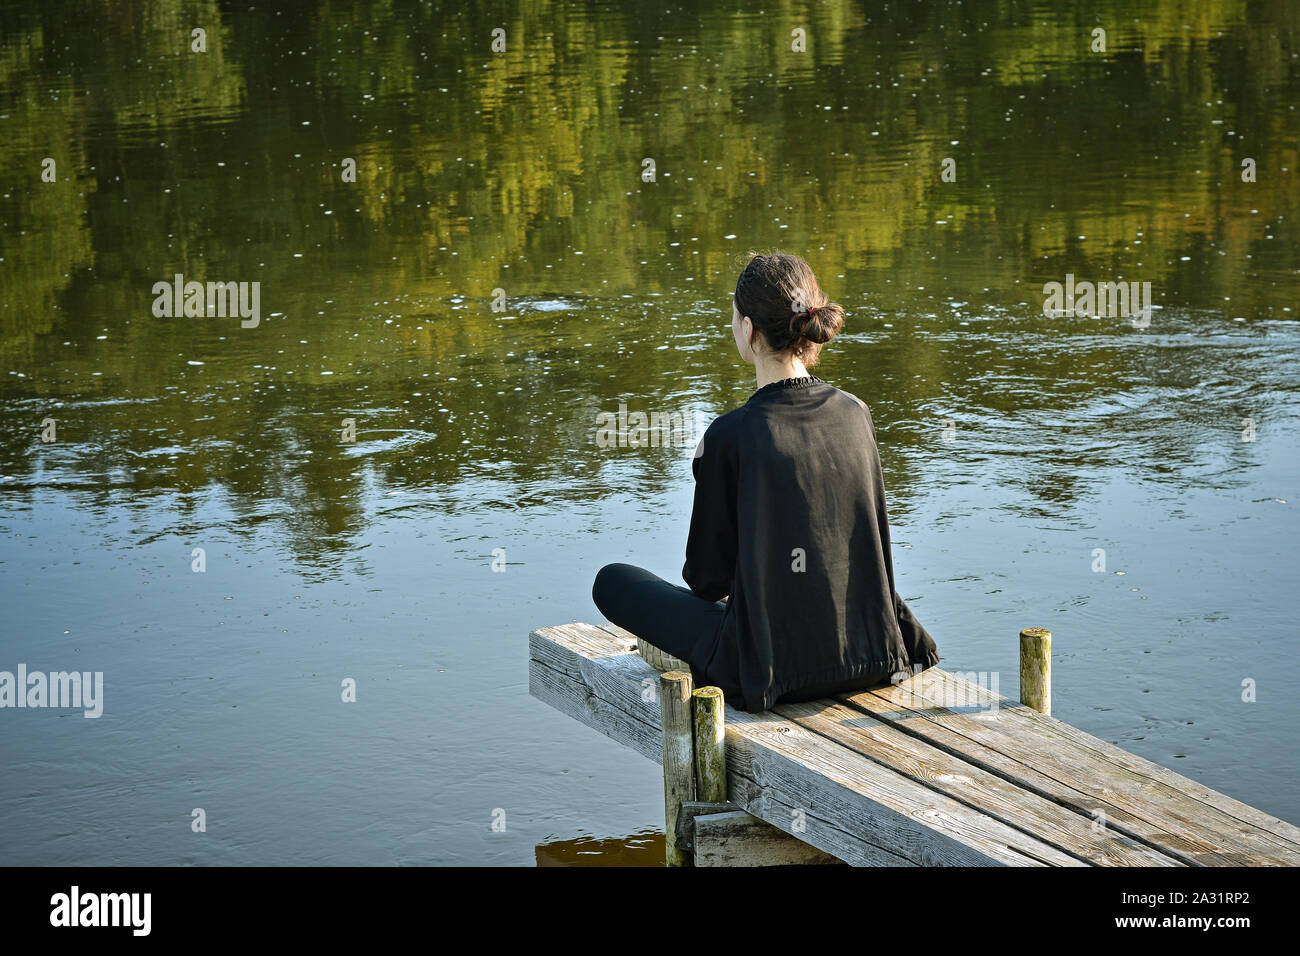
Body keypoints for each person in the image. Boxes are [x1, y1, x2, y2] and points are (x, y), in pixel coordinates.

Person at [592, 252, 940, 712]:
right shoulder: (856, 412)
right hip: (874, 654)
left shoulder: (729, 435)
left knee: (612, 582)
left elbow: (705, 579)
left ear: (749, 329)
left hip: (773, 670)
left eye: (734, 317)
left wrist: (709, 469)